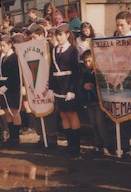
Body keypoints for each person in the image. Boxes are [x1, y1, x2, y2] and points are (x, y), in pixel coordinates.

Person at [49, 23, 81, 157]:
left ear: (67, 34)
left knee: (72, 114)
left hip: (69, 86)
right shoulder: (54, 49)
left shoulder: (73, 50)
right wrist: (50, 88)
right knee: (63, 114)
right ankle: (69, 145)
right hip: (58, 87)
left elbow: (76, 72)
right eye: (57, 34)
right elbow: (51, 70)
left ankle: (76, 147)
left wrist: (72, 90)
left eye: (60, 34)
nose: (58, 37)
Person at [81, 50, 115, 155]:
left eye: (90, 61)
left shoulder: (100, 72)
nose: (88, 64)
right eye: (85, 62)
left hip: (99, 102)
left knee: (100, 123)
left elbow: (104, 87)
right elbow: (82, 86)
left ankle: (108, 144)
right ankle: (98, 144)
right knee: (93, 123)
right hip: (90, 101)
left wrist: (92, 87)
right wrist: (84, 87)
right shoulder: (86, 73)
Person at [0, 35, 21, 147]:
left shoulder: (14, 57)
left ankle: (16, 137)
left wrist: (6, 86)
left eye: (4, 46)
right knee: (7, 113)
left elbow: (15, 75)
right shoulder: (2, 57)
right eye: (1, 46)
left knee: (14, 112)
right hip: (3, 88)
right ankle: (12, 136)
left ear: (10, 45)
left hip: (12, 88)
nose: (2, 48)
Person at [114, 11, 131, 157]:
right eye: (117, 25)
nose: (119, 28)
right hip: (120, 84)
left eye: (122, 25)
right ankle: (125, 146)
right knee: (123, 114)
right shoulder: (114, 40)